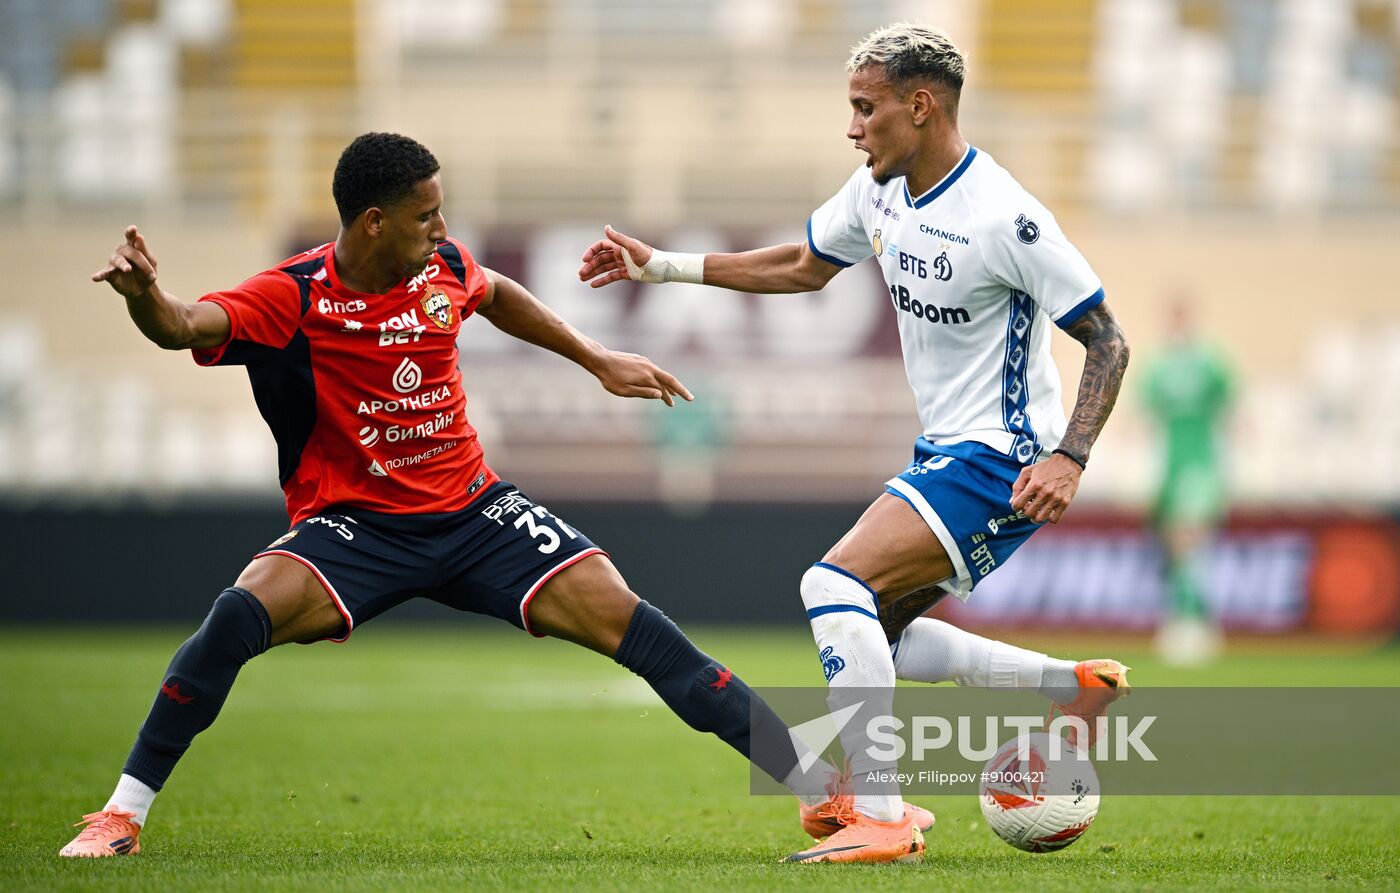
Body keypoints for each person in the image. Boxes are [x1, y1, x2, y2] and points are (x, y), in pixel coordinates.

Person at [63, 132, 856, 859]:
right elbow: (183, 326)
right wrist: (143, 296)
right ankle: (121, 815)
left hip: (479, 515)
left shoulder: (440, 270)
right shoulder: (294, 296)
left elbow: (498, 291)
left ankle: (823, 795)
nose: (442, 231)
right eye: (426, 216)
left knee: (641, 627)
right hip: (355, 528)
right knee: (237, 614)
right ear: (373, 222)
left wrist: (597, 358)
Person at [580, 23, 1133, 864]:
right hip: (948, 451)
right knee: (877, 628)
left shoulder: (1007, 218)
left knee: (831, 584)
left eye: (863, 108)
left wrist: (1071, 457)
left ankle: (881, 812)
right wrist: (663, 267)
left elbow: (1109, 340)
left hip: (1004, 458)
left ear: (920, 106)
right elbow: (803, 264)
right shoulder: (878, 190)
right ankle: (1073, 687)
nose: (852, 127)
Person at [1142, 296, 1234, 665]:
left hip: (1200, 463)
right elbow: (1145, 415)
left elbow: (1231, 408)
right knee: (1175, 547)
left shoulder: (1210, 361)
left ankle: (1194, 623)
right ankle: (1185, 619)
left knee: (1188, 539)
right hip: (1169, 465)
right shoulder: (1159, 365)